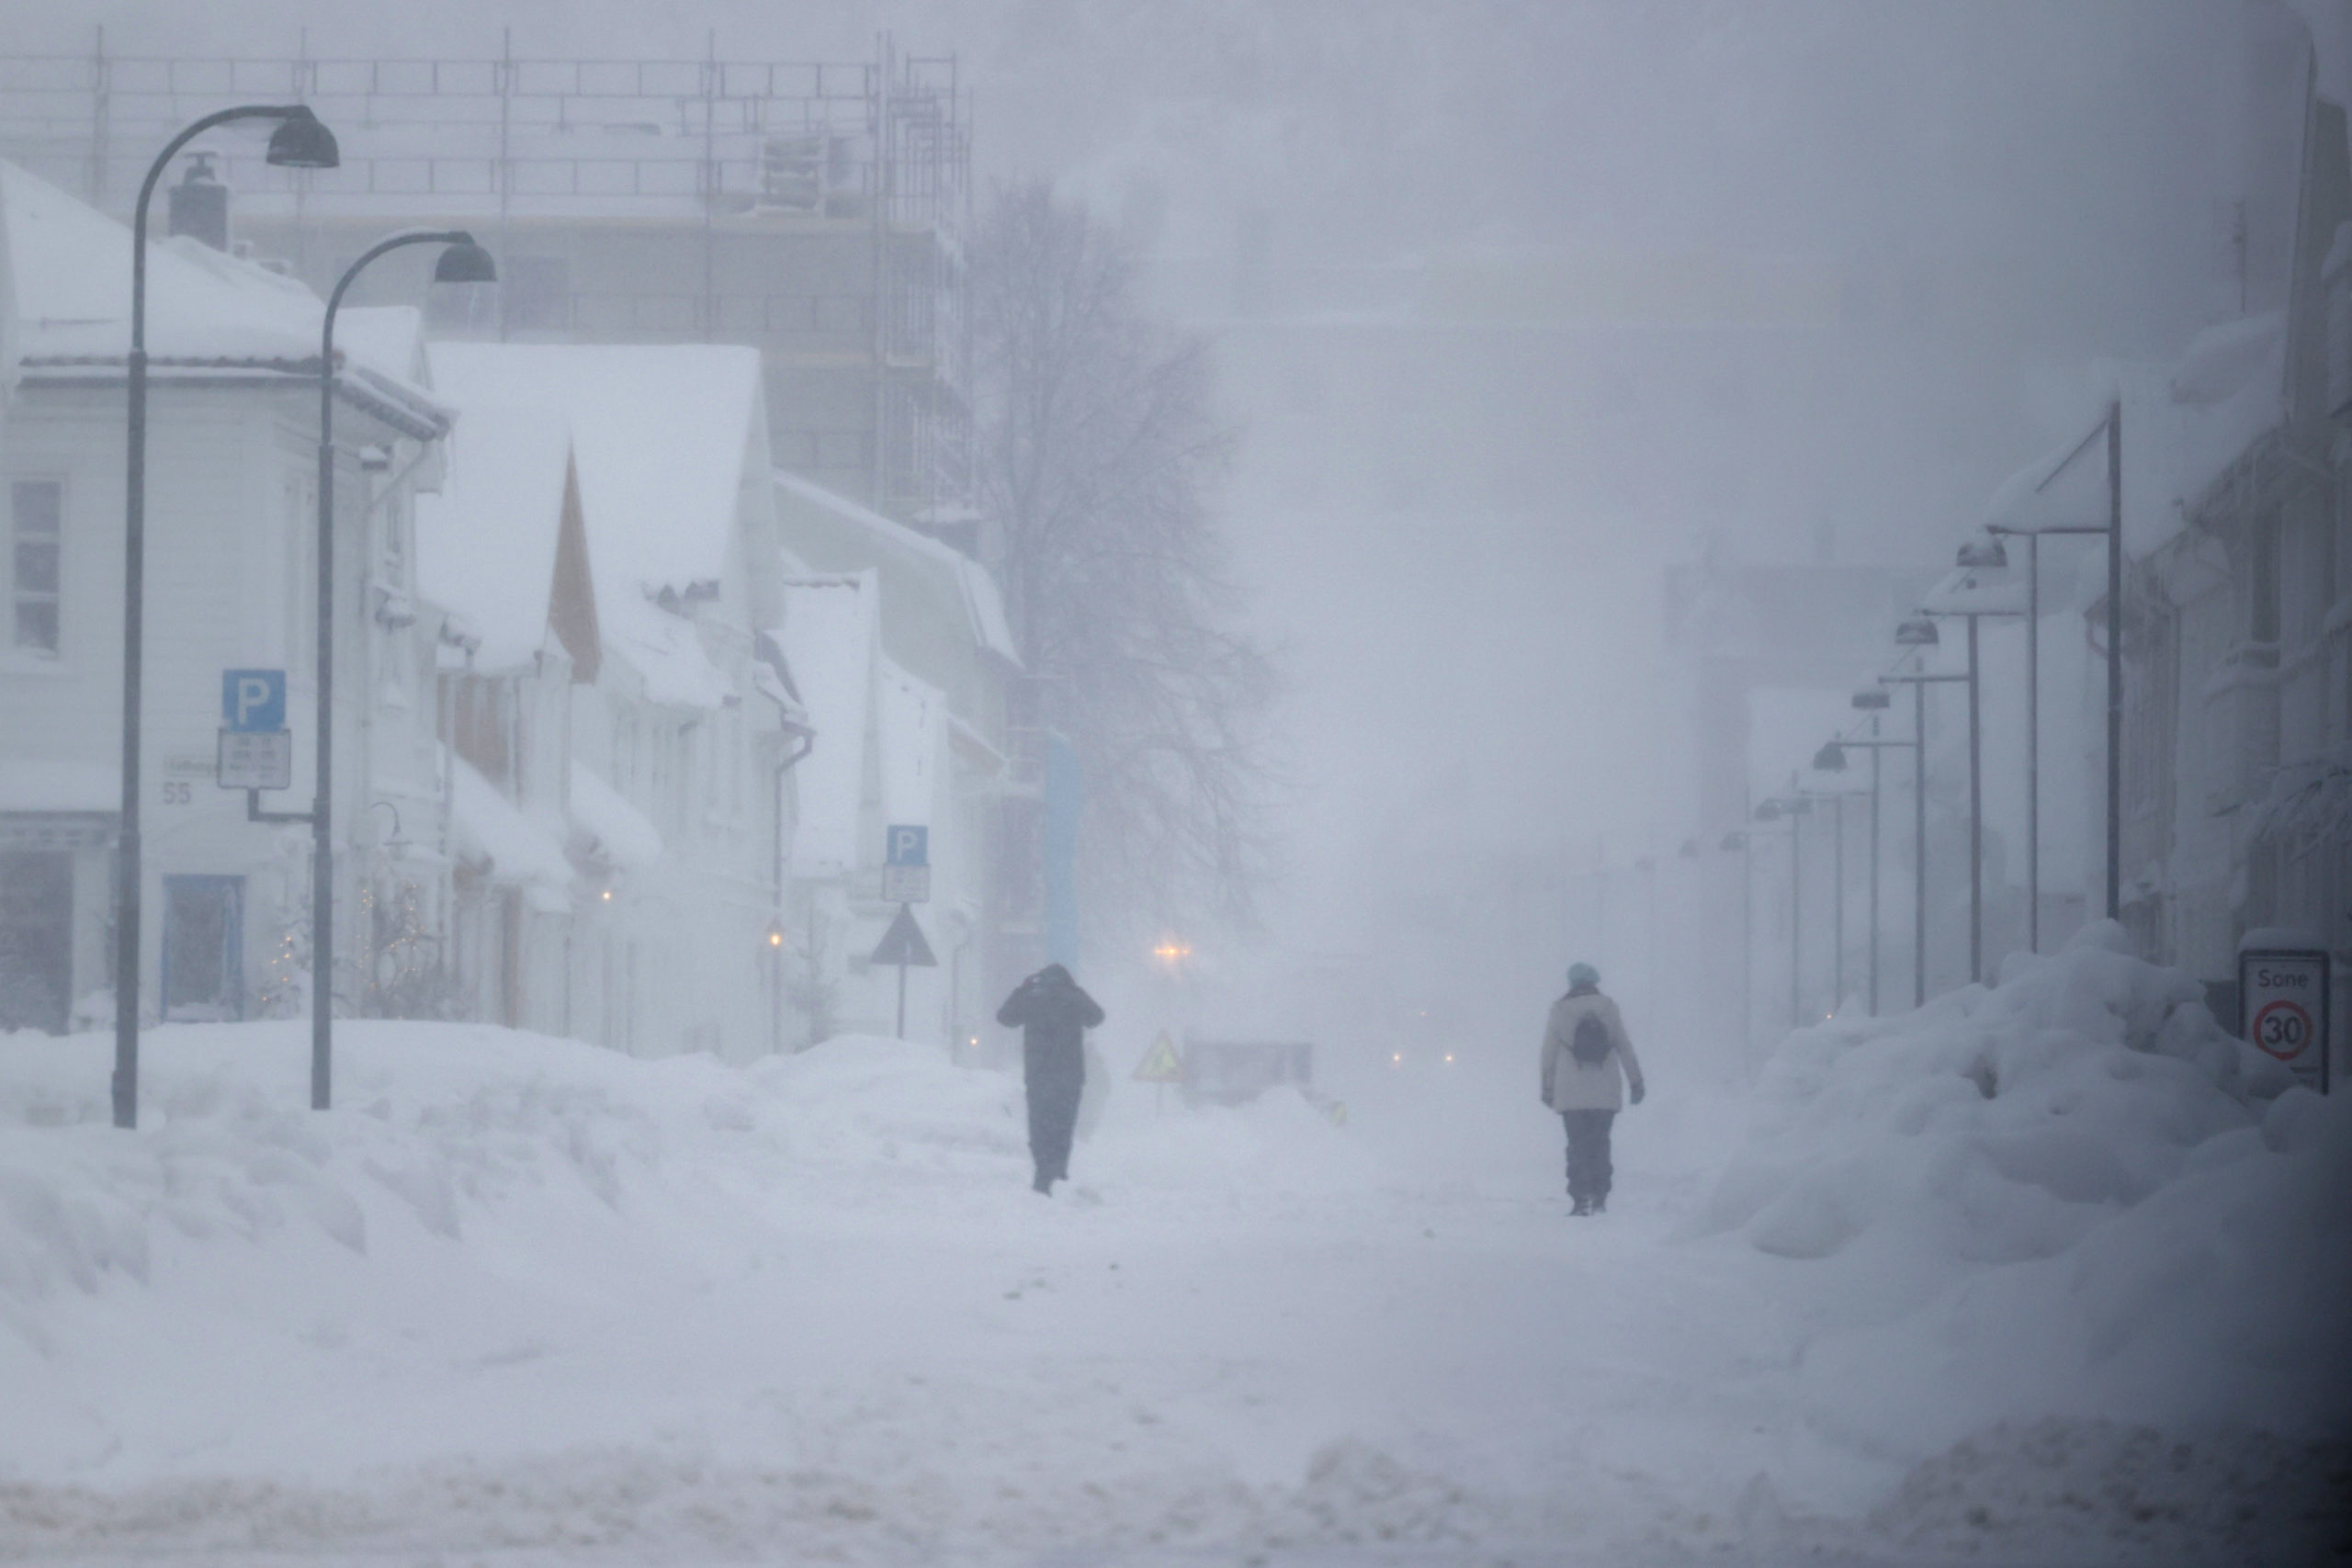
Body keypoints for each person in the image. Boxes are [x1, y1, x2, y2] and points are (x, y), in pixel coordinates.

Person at [1539, 962, 1645, 1216]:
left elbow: (1548, 1053)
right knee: (1600, 1143)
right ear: (1595, 981)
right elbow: (1624, 1046)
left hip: (1570, 1092)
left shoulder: (1560, 1010)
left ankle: (1580, 1199)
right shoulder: (1608, 1008)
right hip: (1605, 1091)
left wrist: (1547, 1086)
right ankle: (1600, 1196)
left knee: (1577, 1145)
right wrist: (1635, 1081)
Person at [996, 963, 1105, 1194]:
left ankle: (1043, 1173)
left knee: (1039, 1127)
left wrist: (1022, 990)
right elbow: (1096, 1017)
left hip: (1039, 1076)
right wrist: (1077, 992)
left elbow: (1005, 1018)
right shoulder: (1073, 998)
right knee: (1063, 1128)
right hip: (1070, 1078)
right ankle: (1058, 1173)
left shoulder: (1032, 999)